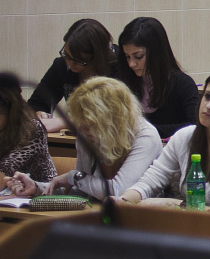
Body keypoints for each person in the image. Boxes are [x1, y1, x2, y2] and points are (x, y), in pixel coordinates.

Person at [122, 67, 210, 209]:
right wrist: (123, 201)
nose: (209, 106)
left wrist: (173, 203)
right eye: (207, 96)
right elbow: (151, 181)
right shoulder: (185, 137)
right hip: (186, 222)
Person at [9, 76, 161, 200]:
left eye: (89, 125)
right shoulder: (86, 134)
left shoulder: (145, 136)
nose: (82, 131)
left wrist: (72, 176)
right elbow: (81, 190)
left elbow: (118, 191)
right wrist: (37, 187)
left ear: (112, 120)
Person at [115, 17, 199, 138]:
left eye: (138, 56)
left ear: (156, 53)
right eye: (127, 56)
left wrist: (144, 131)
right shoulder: (123, 83)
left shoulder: (183, 84)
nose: (131, 64)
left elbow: (195, 126)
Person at [29, 18, 115, 131]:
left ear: (97, 57)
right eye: (67, 56)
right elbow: (34, 104)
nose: (71, 64)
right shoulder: (62, 66)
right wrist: (39, 114)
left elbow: (115, 116)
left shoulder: (118, 64)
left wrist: (66, 122)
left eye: (80, 61)